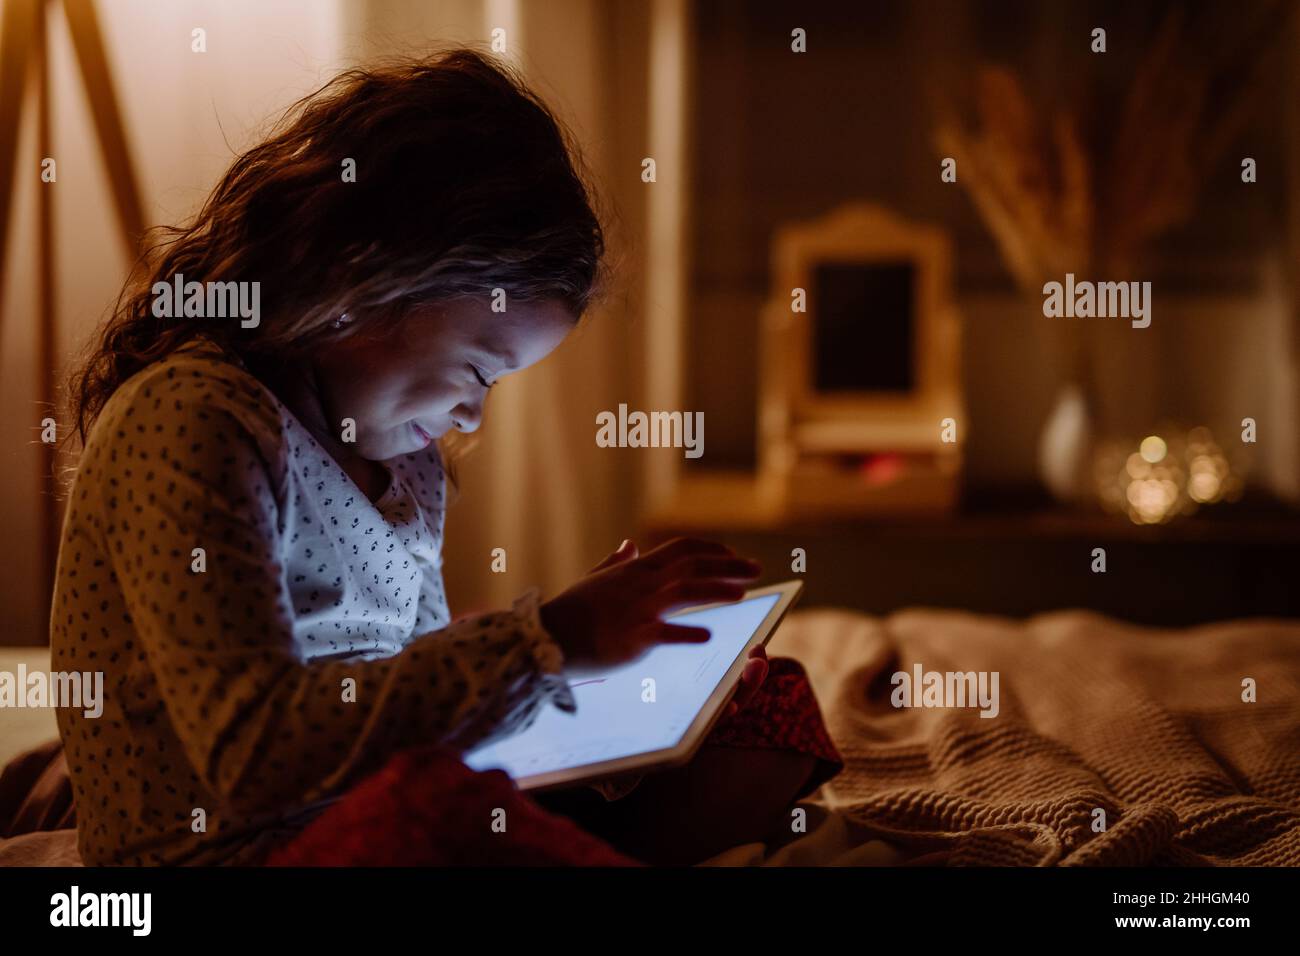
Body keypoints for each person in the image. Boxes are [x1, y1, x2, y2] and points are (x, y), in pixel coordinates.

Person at [53, 49, 837, 866]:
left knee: (761, 706)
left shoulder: (410, 471)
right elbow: (254, 755)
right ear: (363, 280)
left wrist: (594, 678)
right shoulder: (194, 419)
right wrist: (546, 643)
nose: (474, 411)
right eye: (477, 369)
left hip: (388, 806)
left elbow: (417, 698)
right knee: (439, 815)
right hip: (237, 849)